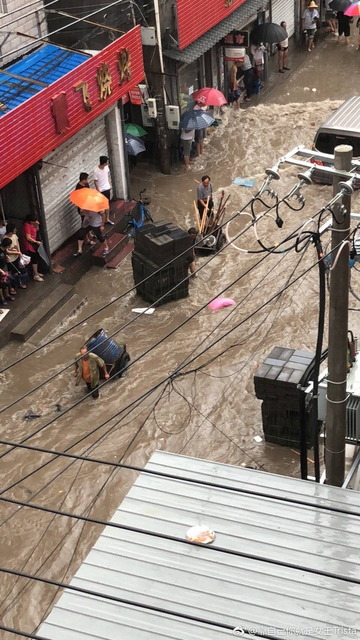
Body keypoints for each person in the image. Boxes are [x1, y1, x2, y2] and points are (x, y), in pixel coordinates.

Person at [3, 223, 27, 288]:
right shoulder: (5, 239)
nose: (16, 230)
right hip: (11, 259)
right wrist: (17, 253)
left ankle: (20, 283)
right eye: (14, 229)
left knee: (20, 270)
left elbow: (17, 243)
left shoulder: (14, 236)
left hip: (16, 256)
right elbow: (6, 251)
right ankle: (14, 286)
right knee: (14, 272)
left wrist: (19, 252)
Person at [22, 214, 44, 281]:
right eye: (35, 221)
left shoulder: (33, 224)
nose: (36, 221)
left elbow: (36, 230)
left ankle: (36, 272)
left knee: (36, 258)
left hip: (34, 243)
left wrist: (37, 225)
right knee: (34, 259)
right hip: (30, 245)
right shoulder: (27, 226)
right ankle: (35, 275)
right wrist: (36, 242)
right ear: (31, 221)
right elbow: (28, 238)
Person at [93, 156, 113, 225]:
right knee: (101, 207)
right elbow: (95, 181)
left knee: (107, 205)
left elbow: (106, 176)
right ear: (104, 163)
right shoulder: (96, 170)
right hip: (101, 190)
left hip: (107, 188)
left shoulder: (106, 167)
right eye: (107, 161)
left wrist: (109, 184)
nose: (108, 163)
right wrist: (98, 190)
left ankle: (107, 219)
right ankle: (101, 221)